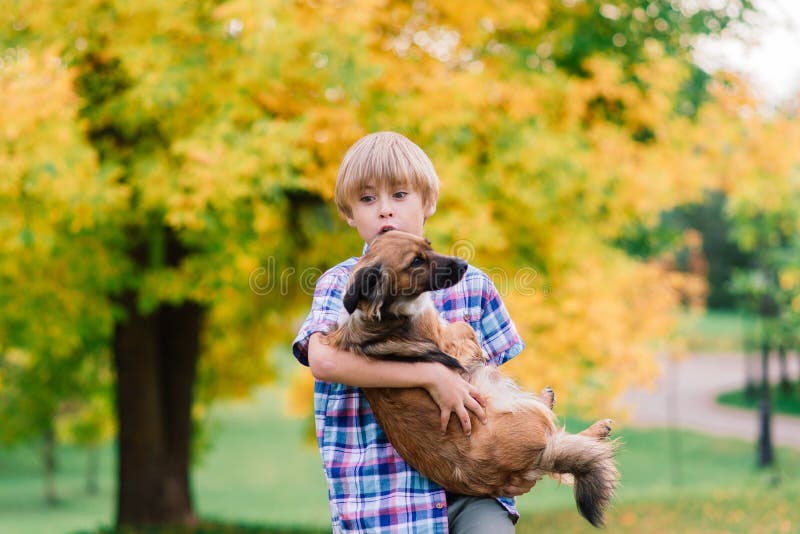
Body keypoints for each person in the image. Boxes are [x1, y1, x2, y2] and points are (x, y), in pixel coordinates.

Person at [292, 131, 535, 533]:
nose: (385, 211)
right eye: (368, 199)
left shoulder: (470, 284)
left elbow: (496, 384)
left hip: (473, 488)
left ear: (429, 201)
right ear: (349, 214)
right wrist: (431, 374)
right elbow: (322, 359)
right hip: (386, 503)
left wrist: (515, 454)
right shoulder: (341, 284)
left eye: (400, 195)